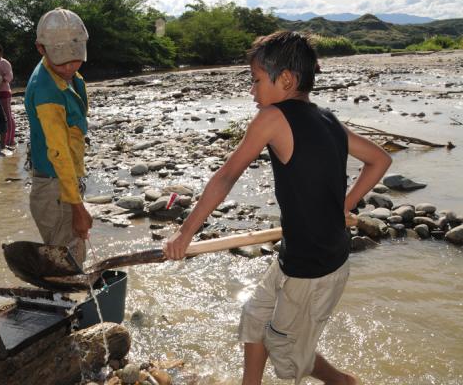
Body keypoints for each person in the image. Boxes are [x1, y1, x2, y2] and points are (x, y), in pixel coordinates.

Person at [163, 31, 392, 385]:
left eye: (255, 81)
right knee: (255, 319)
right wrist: (341, 207)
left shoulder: (272, 117)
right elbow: (379, 159)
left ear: (285, 79)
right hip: (301, 255)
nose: (252, 91)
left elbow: (226, 178)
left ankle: (344, 382)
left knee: (286, 351)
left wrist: (184, 232)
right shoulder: (327, 118)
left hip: (314, 268)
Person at [24, 8, 92, 265]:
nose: (70, 67)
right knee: (66, 263)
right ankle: (72, 303)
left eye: (76, 59)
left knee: (74, 255)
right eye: (62, 61)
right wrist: (77, 208)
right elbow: (58, 152)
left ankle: (77, 301)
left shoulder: (65, 74)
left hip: (64, 182)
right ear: (41, 49)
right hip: (54, 186)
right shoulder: (46, 92)